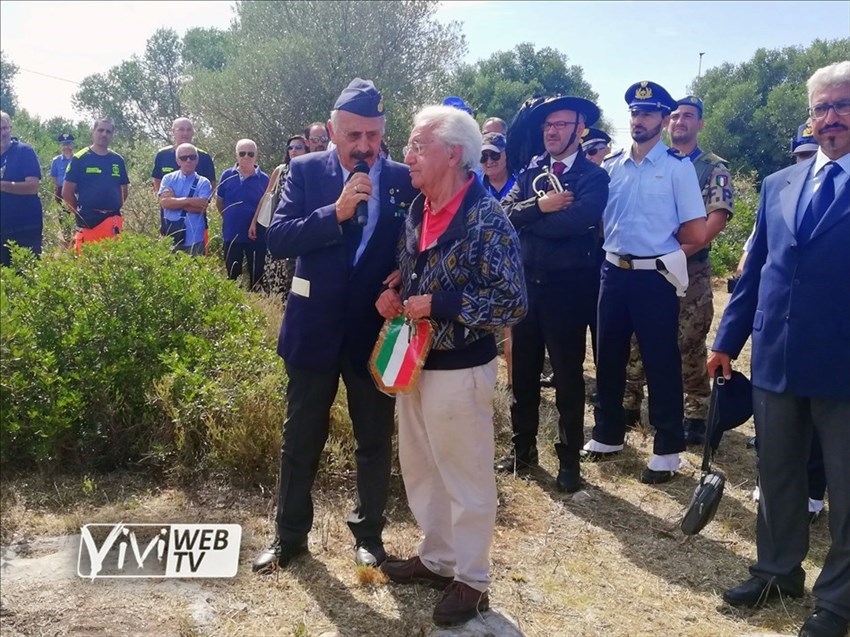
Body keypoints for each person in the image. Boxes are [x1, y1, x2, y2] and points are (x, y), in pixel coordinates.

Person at [709, 61, 849, 637]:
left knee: (844, 487)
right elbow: (757, 270)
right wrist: (726, 340)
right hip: (776, 355)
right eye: (821, 108)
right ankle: (776, 570)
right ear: (809, 117)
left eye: (843, 105)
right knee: (778, 472)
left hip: (844, 364)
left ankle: (838, 602)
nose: (831, 117)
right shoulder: (777, 184)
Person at [254, 78, 417, 574]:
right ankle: (289, 538)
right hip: (314, 329)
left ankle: (368, 536)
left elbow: (422, 242)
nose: (364, 146)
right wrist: (338, 211)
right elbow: (277, 238)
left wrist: (405, 272)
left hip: (373, 332)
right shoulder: (303, 171)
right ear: (332, 130)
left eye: (373, 134)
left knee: (373, 437)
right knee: (301, 435)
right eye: (353, 135)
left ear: (383, 131)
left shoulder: (403, 178)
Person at [378, 104, 526, 626]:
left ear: (453, 154)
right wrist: (396, 287)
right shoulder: (420, 208)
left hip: (461, 368)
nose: (408, 155)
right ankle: (439, 559)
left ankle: (472, 580)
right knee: (421, 468)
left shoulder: (487, 217)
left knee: (465, 475)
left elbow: (512, 302)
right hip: (415, 361)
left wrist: (440, 304)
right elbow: (412, 266)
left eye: (419, 146)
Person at [582, 81, 706, 485]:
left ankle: (668, 448)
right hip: (612, 271)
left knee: (660, 361)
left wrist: (668, 260)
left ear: (663, 119)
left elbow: (695, 230)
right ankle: (608, 433)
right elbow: (601, 220)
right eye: (635, 113)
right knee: (608, 355)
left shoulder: (677, 167)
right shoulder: (613, 165)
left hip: (655, 276)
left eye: (649, 114)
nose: (639, 120)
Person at [496, 95, 610, 493]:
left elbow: (577, 222)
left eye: (561, 125)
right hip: (527, 288)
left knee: (567, 377)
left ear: (580, 129)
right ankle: (522, 450)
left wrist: (532, 220)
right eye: (548, 125)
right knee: (522, 373)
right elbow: (506, 217)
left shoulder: (594, 178)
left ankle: (569, 461)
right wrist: (541, 206)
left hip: (568, 289)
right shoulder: (532, 172)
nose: (552, 131)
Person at [623, 95, 734, 444]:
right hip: (647, 268)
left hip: (689, 270)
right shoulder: (651, 162)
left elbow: (715, 220)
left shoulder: (711, 167)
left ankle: (696, 412)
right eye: (675, 116)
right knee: (636, 337)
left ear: (700, 124)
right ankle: (629, 404)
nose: (680, 122)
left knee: (687, 340)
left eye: (689, 117)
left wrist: (675, 254)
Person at [249, 134, 309, 298]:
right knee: (275, 268)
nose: (293, 151)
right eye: (290, 148)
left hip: (302, 227)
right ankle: (275, 303)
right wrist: (254, 222)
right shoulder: (281, 169)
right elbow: (266, 196)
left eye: (298, 147)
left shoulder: (312, 170)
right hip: (280, 226)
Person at [62, 118, 130, 252]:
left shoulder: (117, 160)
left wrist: (113, 207)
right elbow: (66, 192)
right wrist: (80, 214)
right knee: (88, 264)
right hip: (89, 222)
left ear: (112, 135)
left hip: (113, 222)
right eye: (100, 130)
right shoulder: (80, 158)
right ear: (93, 131)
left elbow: (124, 191)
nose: (104, 134)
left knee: (114, 264)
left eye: (108, 131)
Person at [151, 118, 217, 244]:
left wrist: (175, 201)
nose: (185, 133)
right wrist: (188, 201)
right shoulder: (162, 155)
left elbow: (210, 192)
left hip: (196, 226)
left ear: (193, 132)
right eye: (181, 129)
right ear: (173, 132)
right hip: (170, 223)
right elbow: (160, 191)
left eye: (188, 130)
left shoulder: (204, 157)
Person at [215, 139, 270, 289]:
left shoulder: (264, 179)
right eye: (242, 153)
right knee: (233, 276)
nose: (246, 157)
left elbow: (266, 207)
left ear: (256, 156)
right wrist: (229, 218)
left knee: (256, 276)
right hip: (232, 234)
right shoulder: (227, 175)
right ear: (236, 155)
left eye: (250, 154)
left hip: (256, 236)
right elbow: (219, 202)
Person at [0, 111, 43, 267]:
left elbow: (32, 187)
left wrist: (2, 185)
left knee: (28, 276)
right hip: (2, 229)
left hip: (25, 227)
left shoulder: (24, 152)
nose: (3, 133)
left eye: (5, 128)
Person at [157, 143, 212, 256]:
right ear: (178, 161)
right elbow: (165, 203)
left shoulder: (204, 182)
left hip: (195, 238)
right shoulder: (168, 179)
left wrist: (175, 200)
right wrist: (190, 201)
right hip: (171, 237)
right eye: (183, 157)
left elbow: (202, 207)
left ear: (197, 160)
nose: (188, 160)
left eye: (192, 157)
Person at [480, 132, 515, 200]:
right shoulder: (473, 185)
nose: (489, 161)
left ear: (506, 154)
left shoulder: (521, 183)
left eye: (495, 155)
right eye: (483, 156)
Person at [50, 133, 75, 204]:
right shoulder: (56, 161)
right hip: (60, 191)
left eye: (68, 144)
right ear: (60, 146)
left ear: (72, 145)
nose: (66, 147)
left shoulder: (78, 159)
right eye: (64, 145)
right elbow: (53, 178)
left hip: (75, 191)